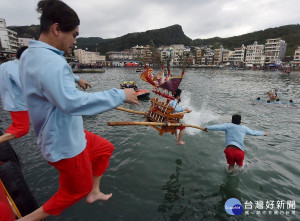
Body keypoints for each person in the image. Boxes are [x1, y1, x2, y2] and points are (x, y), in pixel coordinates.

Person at [18, 0, 140, 220]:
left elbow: (50, 78)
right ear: (57, 29)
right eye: (74, 35)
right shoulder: (53, 63)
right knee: (75, 191)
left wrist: (75, 78)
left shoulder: (30, 55)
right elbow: (73, 103)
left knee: (104, 148)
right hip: (65, 144)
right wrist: (120, 95)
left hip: (64, 133)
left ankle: (94, 191)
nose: (75, 41)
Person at [0, 46, 30, 144]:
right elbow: (26, 87)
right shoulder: (19, 69)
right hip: (19, 104)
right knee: (22, 129)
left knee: (16, 126)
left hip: (8, 101)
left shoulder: (4, 65)